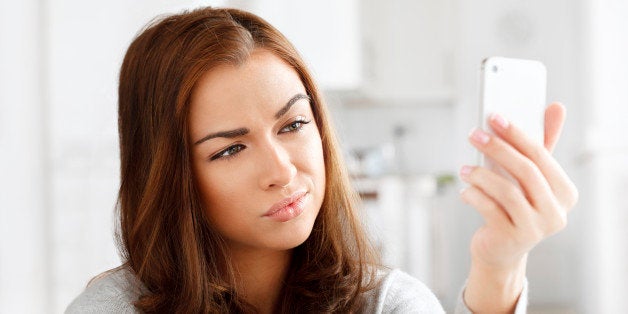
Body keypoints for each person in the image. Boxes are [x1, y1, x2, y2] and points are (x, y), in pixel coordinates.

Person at [65, 6, 578, 314]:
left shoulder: (386, 303)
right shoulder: (113, 308)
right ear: (170, 174)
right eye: (229, 149)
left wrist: (500, 266)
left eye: (292, 126)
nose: (284, 171)